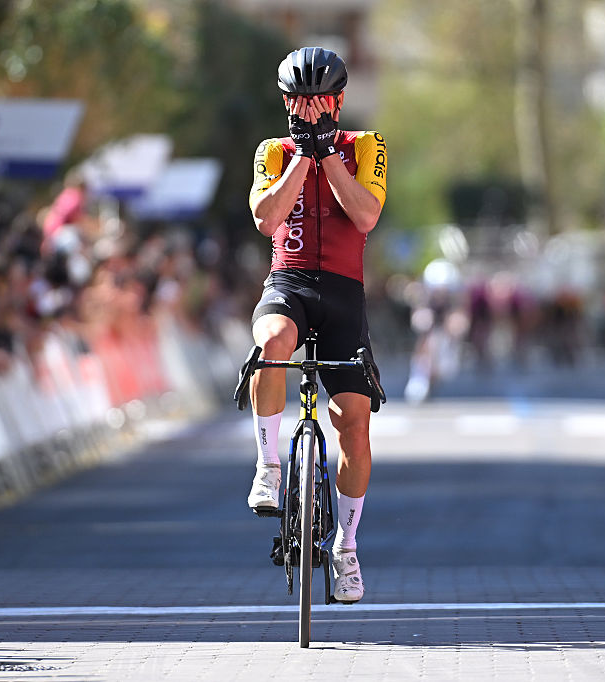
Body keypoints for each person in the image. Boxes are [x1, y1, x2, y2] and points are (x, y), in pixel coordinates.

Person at [245, 46, 387, 603]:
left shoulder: (364, 147)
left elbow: (366, 216)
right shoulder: (272, 152)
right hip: (289, 285)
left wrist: (328, 155)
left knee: (352, 422)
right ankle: (269, 465)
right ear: (287, 103)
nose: (311, 108)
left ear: (339, 100)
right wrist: (302, 156)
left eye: (321, 99)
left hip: (344, 295)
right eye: (301, 100)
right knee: (272, 345)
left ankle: (346, 548)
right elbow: (265, 218)